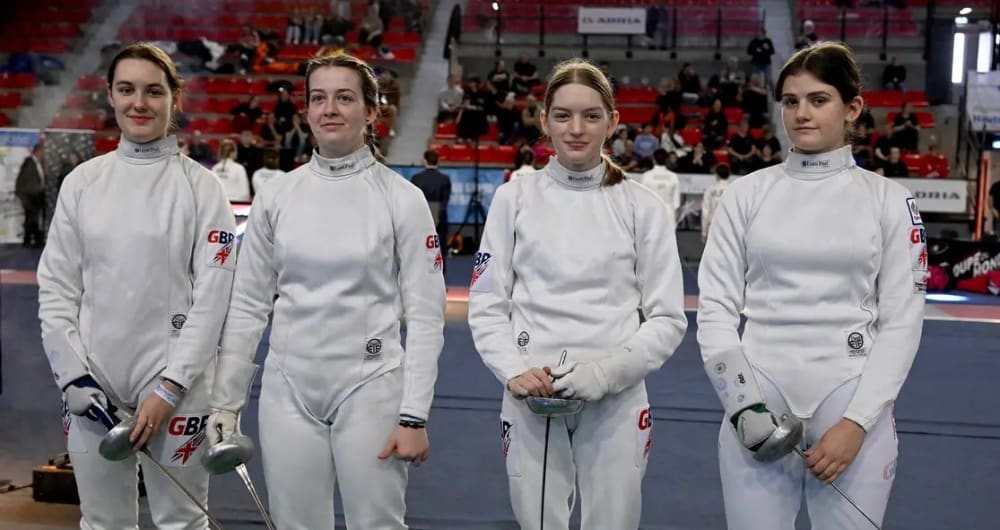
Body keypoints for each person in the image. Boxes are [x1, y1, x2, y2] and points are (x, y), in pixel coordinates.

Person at [207, 53, 446, 529]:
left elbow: (425, 316)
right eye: (319, 98)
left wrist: (414, 415)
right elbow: (250, 303)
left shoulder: (402, 198)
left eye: (344, 98)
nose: (329, 109)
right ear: (307, 110)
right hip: (287, 387)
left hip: (371, 385)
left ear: (371, 111)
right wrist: (225, 401)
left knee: (376, 523)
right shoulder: (277, 195)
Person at [697, 42, 926, 530]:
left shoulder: (890, 200)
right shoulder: (746, 194)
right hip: (757, 395)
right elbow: (714, 309)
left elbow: (903, 322)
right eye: (791, 101)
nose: (801, 113)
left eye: (818, 100)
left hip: (850, 394)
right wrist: (742, 407)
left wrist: (857, 422)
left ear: (852, 108)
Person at [468, 58, 688, 530]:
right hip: (532, 398)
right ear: (544, 121)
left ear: (613, 122)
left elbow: (668, 319)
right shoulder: (514, 199)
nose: (576, 128)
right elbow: (488, 305)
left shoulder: (642, 207)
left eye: (591, 115)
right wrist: (513, 371)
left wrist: (605, 374)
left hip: (617, 402)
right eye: (563, 115)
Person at [36, 43, 236, 529]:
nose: (139, 103)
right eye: (126, 90)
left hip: (176, 389)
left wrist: (170, 388)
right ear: (110, 95)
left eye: (153, 90)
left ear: (175, 98)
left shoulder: (202, 188)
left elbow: (214, 299)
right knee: (102, 522)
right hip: (92, 388)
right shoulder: (82, 183)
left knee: (184, 521)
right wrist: (72, 376)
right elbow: (56, 288)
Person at [410, 149, 452, 271]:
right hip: (440, 218)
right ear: (438, 161)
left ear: (424, 161)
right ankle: (441, 280)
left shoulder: (416, 178)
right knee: (440, 251)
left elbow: (414, 202)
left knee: (420, 251)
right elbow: (445, 201)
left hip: (421, 219)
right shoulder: (445, 179)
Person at [15, 143, 46, 248]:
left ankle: (30, 240)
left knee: (32, 219)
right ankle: (33, 241)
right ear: (38, 151)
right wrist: (38, 189)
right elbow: (28, 182)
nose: (44, 154)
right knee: (32, 219)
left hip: (34, 197)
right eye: (43, 151)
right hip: (29, 197)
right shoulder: (30, 163)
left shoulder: (36, 163)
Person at [641, 148, 681, 221]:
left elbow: (642, 199)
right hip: (668, 212)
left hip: (651, 212)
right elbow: (676, 202)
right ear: (667, 160)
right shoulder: (673, 176)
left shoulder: (646, 176)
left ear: (653, 160)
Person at [700, 163, 730, 245]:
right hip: (729, 227)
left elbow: (705, 212)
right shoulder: (733, 189)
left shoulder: (710, 189)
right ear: (729, 174)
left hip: (713, 225)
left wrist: (704, 233)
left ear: (717, 175)